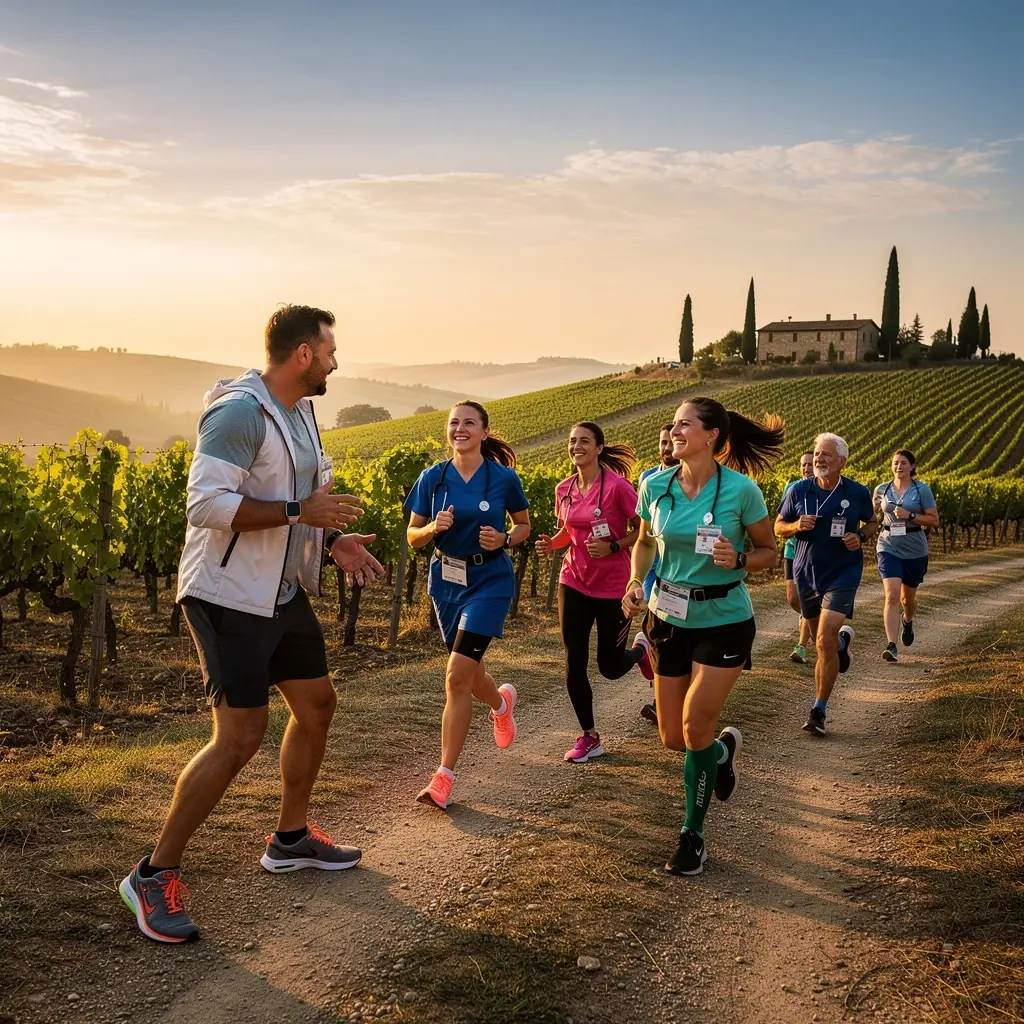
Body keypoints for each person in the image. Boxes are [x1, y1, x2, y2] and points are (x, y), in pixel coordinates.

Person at [120, 305, 383, 944]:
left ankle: (290, 839)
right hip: (226, 595)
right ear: (301, 355)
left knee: (317, 704)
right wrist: (300, 511)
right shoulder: (239, 412)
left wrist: (335, 538)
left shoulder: (300, 411)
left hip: (279, 591)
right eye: (329, 350)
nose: (335, 360)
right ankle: (152, 875)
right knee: (239, 739)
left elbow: (302, 506)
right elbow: (205, 506)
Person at [623, 397, 784, 876]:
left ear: (712, 435)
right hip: (667, 617)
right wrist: (635, 582)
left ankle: (692, 836)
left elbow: (768, 551)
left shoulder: (741, 491)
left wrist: (738, 560)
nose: (674, 432)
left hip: (724, 618)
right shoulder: (654, 485)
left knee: (695, 721)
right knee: (674, 737)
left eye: (683, 425)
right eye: (672, 425)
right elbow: (646, 542)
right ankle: (720, 752)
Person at [405, 401, 531, 809]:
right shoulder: (433, 478)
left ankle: (443, 778)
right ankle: (501, 703)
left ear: (484, 431)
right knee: (470, 674)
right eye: (454, 423)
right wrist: (431, 527)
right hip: (446, 582)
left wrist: (506, 539)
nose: (460, 429)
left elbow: (523, 524)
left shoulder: (503, 478)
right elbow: (412, 537)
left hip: (490, 581)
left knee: (456, 676)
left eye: (469, 423)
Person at [535, 422, 653, 763]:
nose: (577, 446)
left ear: (599, 448)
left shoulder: (618, 487)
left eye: (584, 441)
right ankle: (589, 736)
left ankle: (640, 652)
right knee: (574, 660)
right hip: (573, 581)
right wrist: (550, 544)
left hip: (614, 587)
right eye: (572, 441)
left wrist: (613, 544)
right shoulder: (564, 488)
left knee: (610, 667)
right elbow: (568, 533)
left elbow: (643, 532)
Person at [775, 433, 877, 737]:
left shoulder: (857, 492)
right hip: (807, 574)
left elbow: (872, 523)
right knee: (828, 642)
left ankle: (818, 709)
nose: (819, 459)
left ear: (841, 461)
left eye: (826, 455)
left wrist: (860, 537)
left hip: (843, 573)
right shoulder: (798, 490)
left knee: (822, 640)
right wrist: (795, 526)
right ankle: (842, 645)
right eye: (817, 453)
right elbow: (778, 526)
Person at [873, 450, 938, 662]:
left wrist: (910, 515)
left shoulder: (922, 490)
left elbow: (933, 520)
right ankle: (892, 645)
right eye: (895, 463)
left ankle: (907, 620)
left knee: (906, 599)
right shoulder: (882, 489)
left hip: (914, 549)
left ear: (911, 466)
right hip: (888, 545)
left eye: (903, 463)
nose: (898, 466)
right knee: (891, 595)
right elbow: (870, 515)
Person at [636, 423, 679, 723]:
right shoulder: (647, 478)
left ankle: (664, 696)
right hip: (653, 570)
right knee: (656, 629)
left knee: (668, 632)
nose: (666, 448)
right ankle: (659, 695)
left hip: (677, 569)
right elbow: (643, 534)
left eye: (670, 442)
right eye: (662, 442)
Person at [779, 452, 815, 664]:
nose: (806, 468)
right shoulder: (791, 488)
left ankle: (801, 646)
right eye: (803, 465)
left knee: (805, 598)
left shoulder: (822, 490)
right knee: (793, 599)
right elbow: (782, 519)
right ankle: (813, 620)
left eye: (809, 465)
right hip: (792, 549)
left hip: (812, 552)